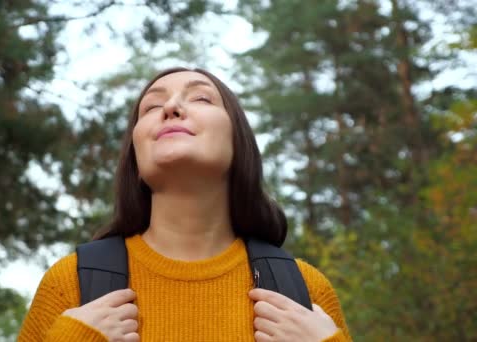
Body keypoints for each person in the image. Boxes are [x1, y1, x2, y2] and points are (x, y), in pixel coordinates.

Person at [18, 67, 352, 341]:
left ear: (239, 142)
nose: (171, 108)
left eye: (201, 97)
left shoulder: (305, 291)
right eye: (150, 107)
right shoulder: (69, 283)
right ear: (135, 154)